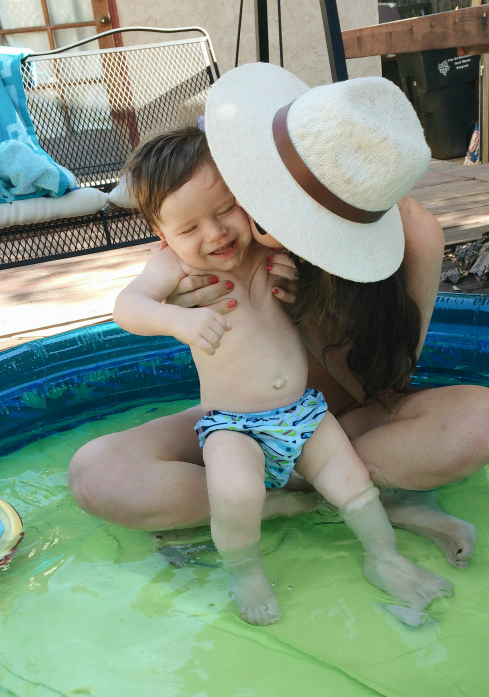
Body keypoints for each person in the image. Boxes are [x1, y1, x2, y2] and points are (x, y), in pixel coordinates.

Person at [68, 64, 489, 597]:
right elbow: (158, 265)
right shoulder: (223, 220)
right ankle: (304, 501)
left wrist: (309, 312)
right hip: (238, 425)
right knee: (99, 473)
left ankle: (318, 492)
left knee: (481, 421)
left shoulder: (412, 236)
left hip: (337, 423)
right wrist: (179, 308)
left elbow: (383, 382)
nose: (223, 229)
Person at [112, 122, 454, 626]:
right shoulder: (174, 268)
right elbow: (127, 306)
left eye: (224, 210)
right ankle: (247, 572)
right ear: (162, 237)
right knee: (234, 495)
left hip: (303, 414)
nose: (215, 234)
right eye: (188, 229)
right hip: (233, 426)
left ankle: (384, 556)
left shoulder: (269, 248)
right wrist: (177, 320)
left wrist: (305, 290)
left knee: (355, 485)